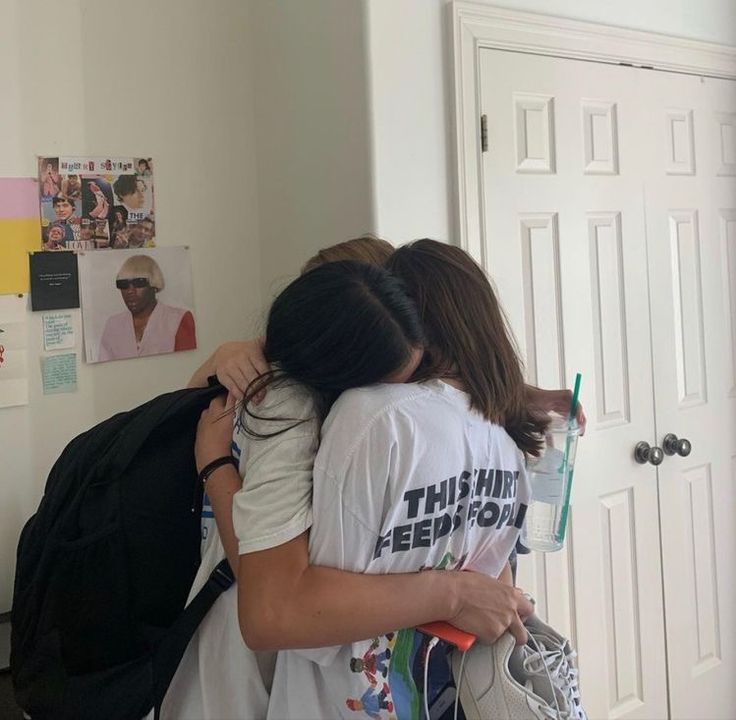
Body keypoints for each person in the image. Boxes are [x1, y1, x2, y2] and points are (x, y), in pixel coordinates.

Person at [97, 255, 196, 362]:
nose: (130, 291)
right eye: (123, 284)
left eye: (139, 282)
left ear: (154, 285)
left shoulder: (179, 319)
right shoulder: (113, 324)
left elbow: (187, 365)